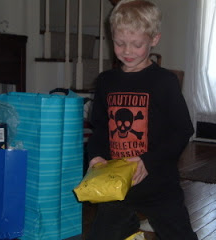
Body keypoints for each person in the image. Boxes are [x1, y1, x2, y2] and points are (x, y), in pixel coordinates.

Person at [86, 0, 198, 239]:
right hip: (117, 184)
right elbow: (100, 129)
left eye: (136, 44)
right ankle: (126, 224)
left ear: (154, 39)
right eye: (119, 43)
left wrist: (148, 160)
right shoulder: (106, 81)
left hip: (159, 182)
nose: (127, 51)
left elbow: (182, 130)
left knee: (180, 235)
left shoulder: (164, 81)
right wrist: (95, 155)